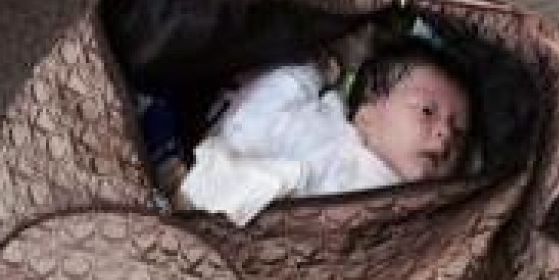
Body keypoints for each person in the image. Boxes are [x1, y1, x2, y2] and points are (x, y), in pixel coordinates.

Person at [177, 37, 474, 225]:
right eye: (427, 111)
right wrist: (310, 73)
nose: (445, 134)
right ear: (366, 115)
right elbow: (254, 119)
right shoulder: (322, 129)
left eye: (459, 133)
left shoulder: (435, 213)